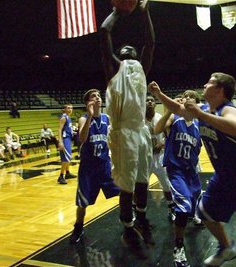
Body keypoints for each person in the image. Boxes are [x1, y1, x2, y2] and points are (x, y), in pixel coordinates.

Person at [148, 73, 236, 267]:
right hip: (224, 176)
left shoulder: (228, 109)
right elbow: (178, 109)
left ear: (219, 90)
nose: (204, 84)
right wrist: (159, 94)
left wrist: (200, 114)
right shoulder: (205, 109)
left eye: (209, 82)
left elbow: (235, 128)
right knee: (205, 212)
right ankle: (227, 246)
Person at [100, 0, 155, 258]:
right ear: (121, 55)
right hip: (123, 132)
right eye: (125, 48)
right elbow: (104, 32)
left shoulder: (141, 69)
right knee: (127, 185)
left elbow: (150, 43)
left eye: (132, 47)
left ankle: (141, 217)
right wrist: (116, 12)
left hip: (141, 130)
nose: (130, 47)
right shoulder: (114, 68)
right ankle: (127, 227)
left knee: (143, 178)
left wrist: (145, 14)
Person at [153, 90, 202, 267]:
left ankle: (194, 216)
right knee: (183, 208)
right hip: (176, 171)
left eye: (192, 97)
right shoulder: (176, 119)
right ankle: (178, 248)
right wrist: (169, 110)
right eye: (185, 97)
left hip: (192, 172)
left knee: (194, 202)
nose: (187, 99)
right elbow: (157, 129)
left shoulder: (198, 125)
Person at [69, 89, 119, 244]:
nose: (97, 98)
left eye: (98, 96)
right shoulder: (84, 119)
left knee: (122, 191)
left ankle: (130, 219)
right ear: (87, 103)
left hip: (104, 165)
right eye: (93, 96)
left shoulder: (107, 118)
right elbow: (82, 138)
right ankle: (78, 227)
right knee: (82, 203)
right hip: (88, 168)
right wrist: (90, 115)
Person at [145, 95, 175, 221]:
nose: (150, 102)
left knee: (166, 185)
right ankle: (138, 212)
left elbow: (168, 135)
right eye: (147, 100)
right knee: (140, 187)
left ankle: (171, 208)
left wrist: (162, 143)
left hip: (160, 156)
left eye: (152, 100)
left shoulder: (160, 118)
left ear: (155, 103)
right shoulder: (138, 119)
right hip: (145, 158)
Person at [57, 104, 77, 184]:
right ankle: (61, 176)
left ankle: (67, 172)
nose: (70, 109)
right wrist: (60, 141)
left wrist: (73, 132)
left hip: (68, 138)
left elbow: (67, 129)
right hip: (65, 140)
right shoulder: (63, 117)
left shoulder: (68, 118)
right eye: (68, 108)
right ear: (64, 109)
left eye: (71, 108)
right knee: (66, 158)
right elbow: (59, 129)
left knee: (68, 157)